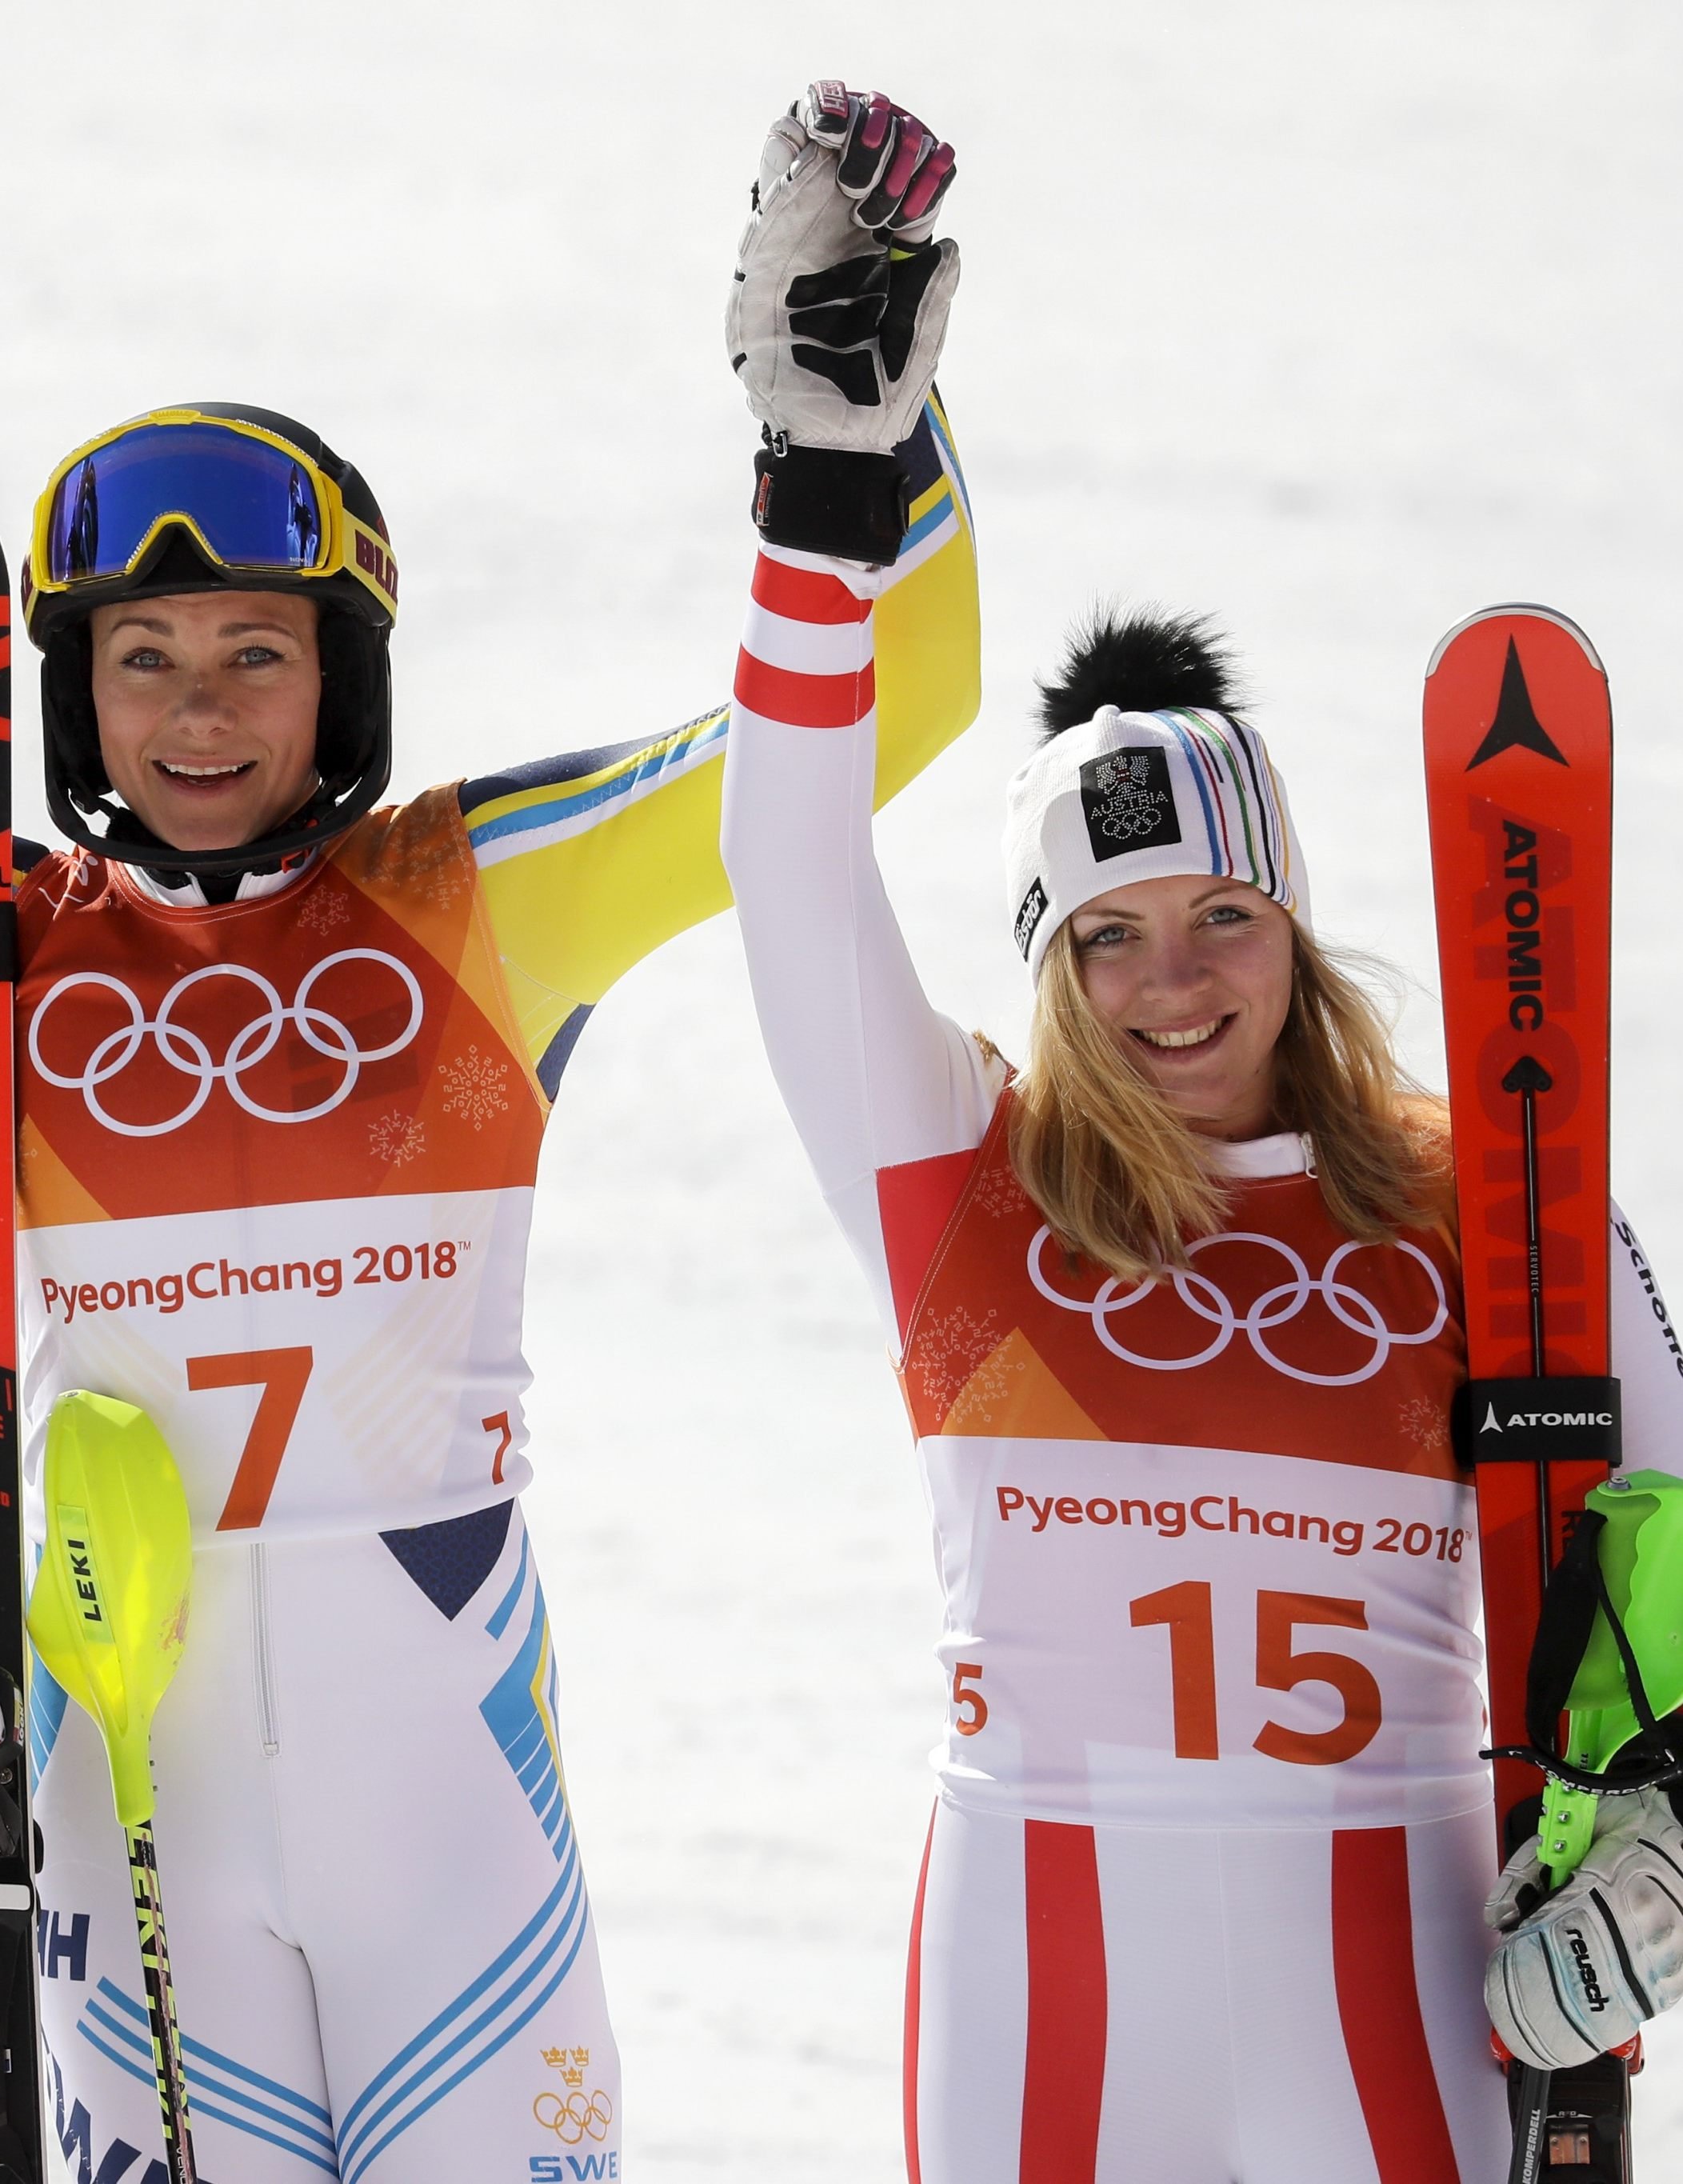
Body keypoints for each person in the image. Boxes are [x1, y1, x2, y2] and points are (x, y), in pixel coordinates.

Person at [0, 165, 977, 2183]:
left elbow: (878, 723)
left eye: (256, 649)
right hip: (121, 1789)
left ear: (348, 674)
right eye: (142, 658)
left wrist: (859, 433)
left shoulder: (485, 902)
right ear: (73, 692)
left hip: (447, 1819)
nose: (199, 711)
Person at [718, 82, 1683, 2182]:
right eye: (1116, 936)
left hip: (1399, 1978)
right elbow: (786, 871)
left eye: (1227, 918)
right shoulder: (962, 1195)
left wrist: (1663, 1846)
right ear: (1051, 966)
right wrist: (821, 511)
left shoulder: (1486, 1196)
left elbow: (1679, 1526)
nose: (1176, 983)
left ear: (1299, 933)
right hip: (1037, 1979)